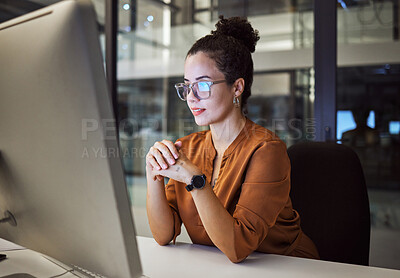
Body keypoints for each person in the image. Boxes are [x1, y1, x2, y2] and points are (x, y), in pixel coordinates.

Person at [145, 16, 319, 263]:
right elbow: (164, 234)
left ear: (237, 88)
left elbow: (238, 247)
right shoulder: (189, 147)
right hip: (221, 268)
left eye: (203, 86)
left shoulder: (266, 149)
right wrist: (153, 173)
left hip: (287, 267)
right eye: (186, 87)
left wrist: (195, 180)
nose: (192, 98)